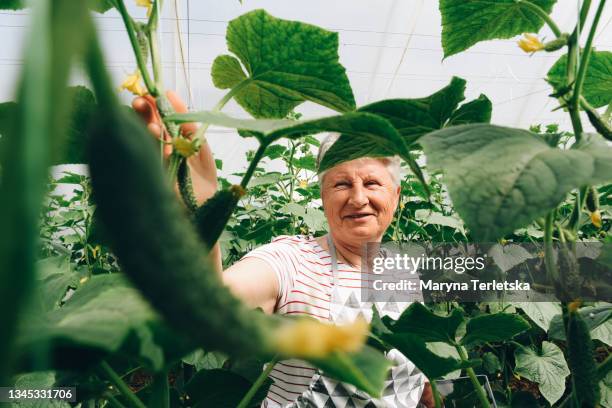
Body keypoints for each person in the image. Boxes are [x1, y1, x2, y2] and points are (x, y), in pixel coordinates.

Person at [133, 91, 435, 408]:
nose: (358, 198)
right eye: (341, 184)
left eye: (372, 183)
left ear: (396, 195)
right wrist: (199, 218)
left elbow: (418, 372)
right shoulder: (293, 261)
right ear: (323, 196)